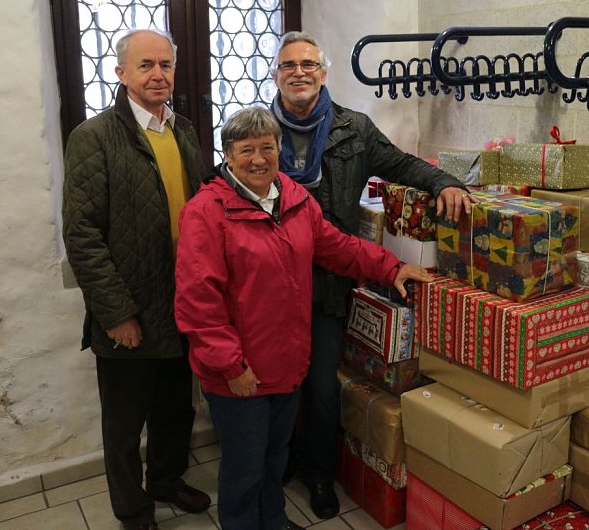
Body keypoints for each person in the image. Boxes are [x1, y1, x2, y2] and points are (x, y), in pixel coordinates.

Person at [173, 106, 432, 530]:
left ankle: (273, 522)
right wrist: (231, 366)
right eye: (246, 150)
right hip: (240, 373)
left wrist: (392, 267)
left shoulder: (295, 199)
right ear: (228, 155)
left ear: (279, 150)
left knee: (274, 459)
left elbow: (339, 248)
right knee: (244, 469)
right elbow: (198, 304)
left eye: (267, 147)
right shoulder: (206, 211)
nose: (258, 159)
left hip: (286, 362)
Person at [269, 30, 473, 519]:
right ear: (276, 76)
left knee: (321, 388)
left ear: (323, 74)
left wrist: (445, 182)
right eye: (289, 65)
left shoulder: (353, 129)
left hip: (329, 280)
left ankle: (319, 473)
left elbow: (400, 164)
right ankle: (280, 462)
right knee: (275, 383)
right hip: (271, 283)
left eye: (308, 64)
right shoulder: (259, 130)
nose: (299, 72)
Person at [62, 28, 211, 530]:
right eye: (146, 65)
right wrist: (116, 313)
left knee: (175, 409)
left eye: (166, 65)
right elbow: (82, 235)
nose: (158, 75)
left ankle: (166, 480)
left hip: (181, 302)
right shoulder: (94, 137)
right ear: (121, 72)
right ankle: (133, 509)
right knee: (125, 425)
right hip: (130, 308)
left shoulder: (183, 130)